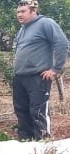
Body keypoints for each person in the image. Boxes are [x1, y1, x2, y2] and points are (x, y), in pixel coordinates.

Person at [13, 0, 68, 140]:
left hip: (38, 77)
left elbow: (62, 43)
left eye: (23, 11)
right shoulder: (22, 29)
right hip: (20, 77)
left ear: (34, 11)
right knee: (21, 111)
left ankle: (42, 143)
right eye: (18, 12)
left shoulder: (46, 23)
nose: (19, 14)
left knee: (38, 111)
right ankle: (26, 143)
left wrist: (55, 68)